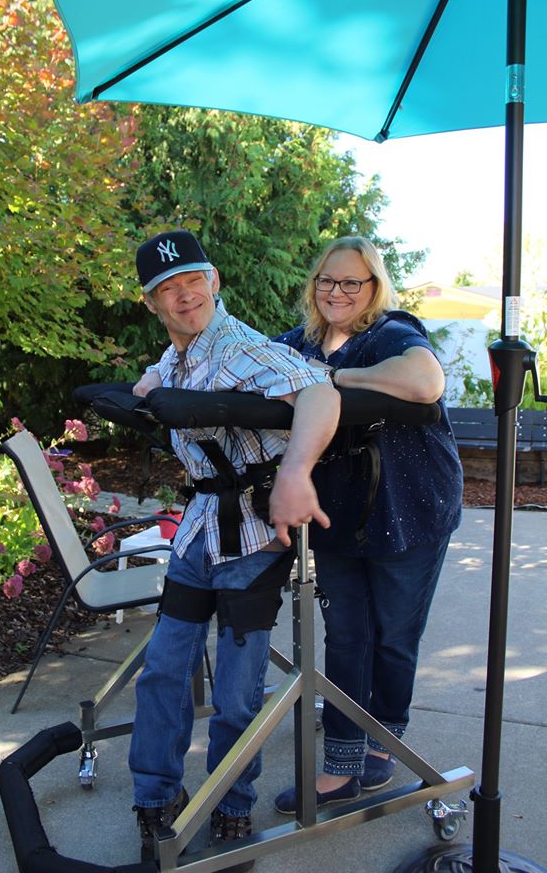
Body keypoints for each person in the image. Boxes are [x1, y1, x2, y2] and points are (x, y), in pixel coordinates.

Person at [128, 229, 340, 868]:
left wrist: (297, 475)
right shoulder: (179, 357)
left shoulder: (243, 349)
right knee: (163, 669)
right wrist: (144, 387)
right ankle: (155, 797)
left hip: (252, 534)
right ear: (152, 302)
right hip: (198, 530)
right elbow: (153, 382)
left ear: (213, 279)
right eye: (169, 287)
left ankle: (231, 802)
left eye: (193, 280)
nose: (184, 294)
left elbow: (321, 391)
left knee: (239, 690)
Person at [272, 235, 463, 814]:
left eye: (352, 281)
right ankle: (342, 762)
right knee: (348, 635)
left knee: (392, 636)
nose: (337, 291)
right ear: (314, 286)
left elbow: (426, 382)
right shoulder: (296, 342)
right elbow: (238, 360)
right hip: (337, 511)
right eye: (328, 281)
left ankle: (385, 739)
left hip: (413, 508)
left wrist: (331, 379)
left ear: (374, 287)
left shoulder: (392, 333)